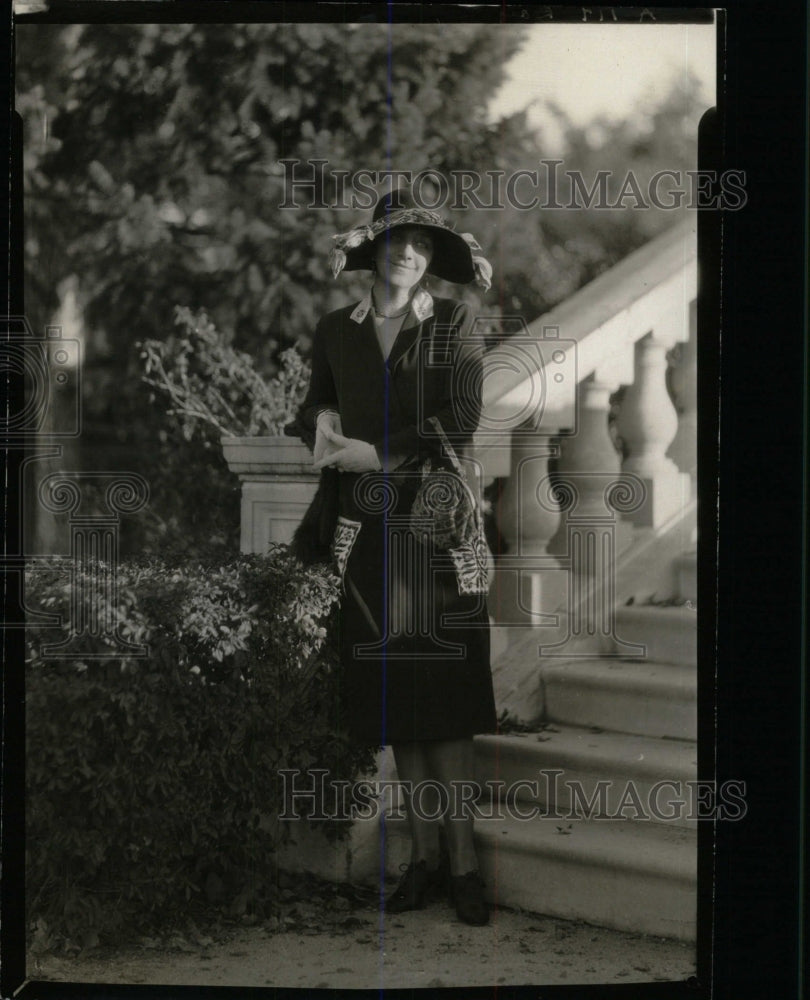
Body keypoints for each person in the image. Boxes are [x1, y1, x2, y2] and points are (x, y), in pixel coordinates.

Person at [295, 185, 496, 926]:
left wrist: (378, 454)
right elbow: (312, 402)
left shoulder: (453, 322)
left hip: (436, 529)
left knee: (445, 704)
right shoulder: (336, 329)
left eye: (421, 244)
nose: (407, 252)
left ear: (432, 257)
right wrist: (322, 423)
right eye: (395, 240)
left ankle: (466, 868)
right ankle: (423, 862)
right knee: (398, 707)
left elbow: (465, 413)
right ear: (373, 249)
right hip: (368, 533)